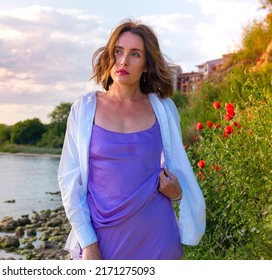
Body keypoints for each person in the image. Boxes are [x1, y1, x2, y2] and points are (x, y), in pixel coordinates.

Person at [58, 19, 205, 260]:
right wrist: (88, 242)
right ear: (109, 55)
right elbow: (68, 180)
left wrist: (178, 195)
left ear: (147, 65)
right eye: (118, 51)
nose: (123, 61)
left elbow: (178, 166)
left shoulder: (164, 109)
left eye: (135, 54)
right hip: (102, 239)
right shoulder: (84, 108)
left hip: (158, 238)